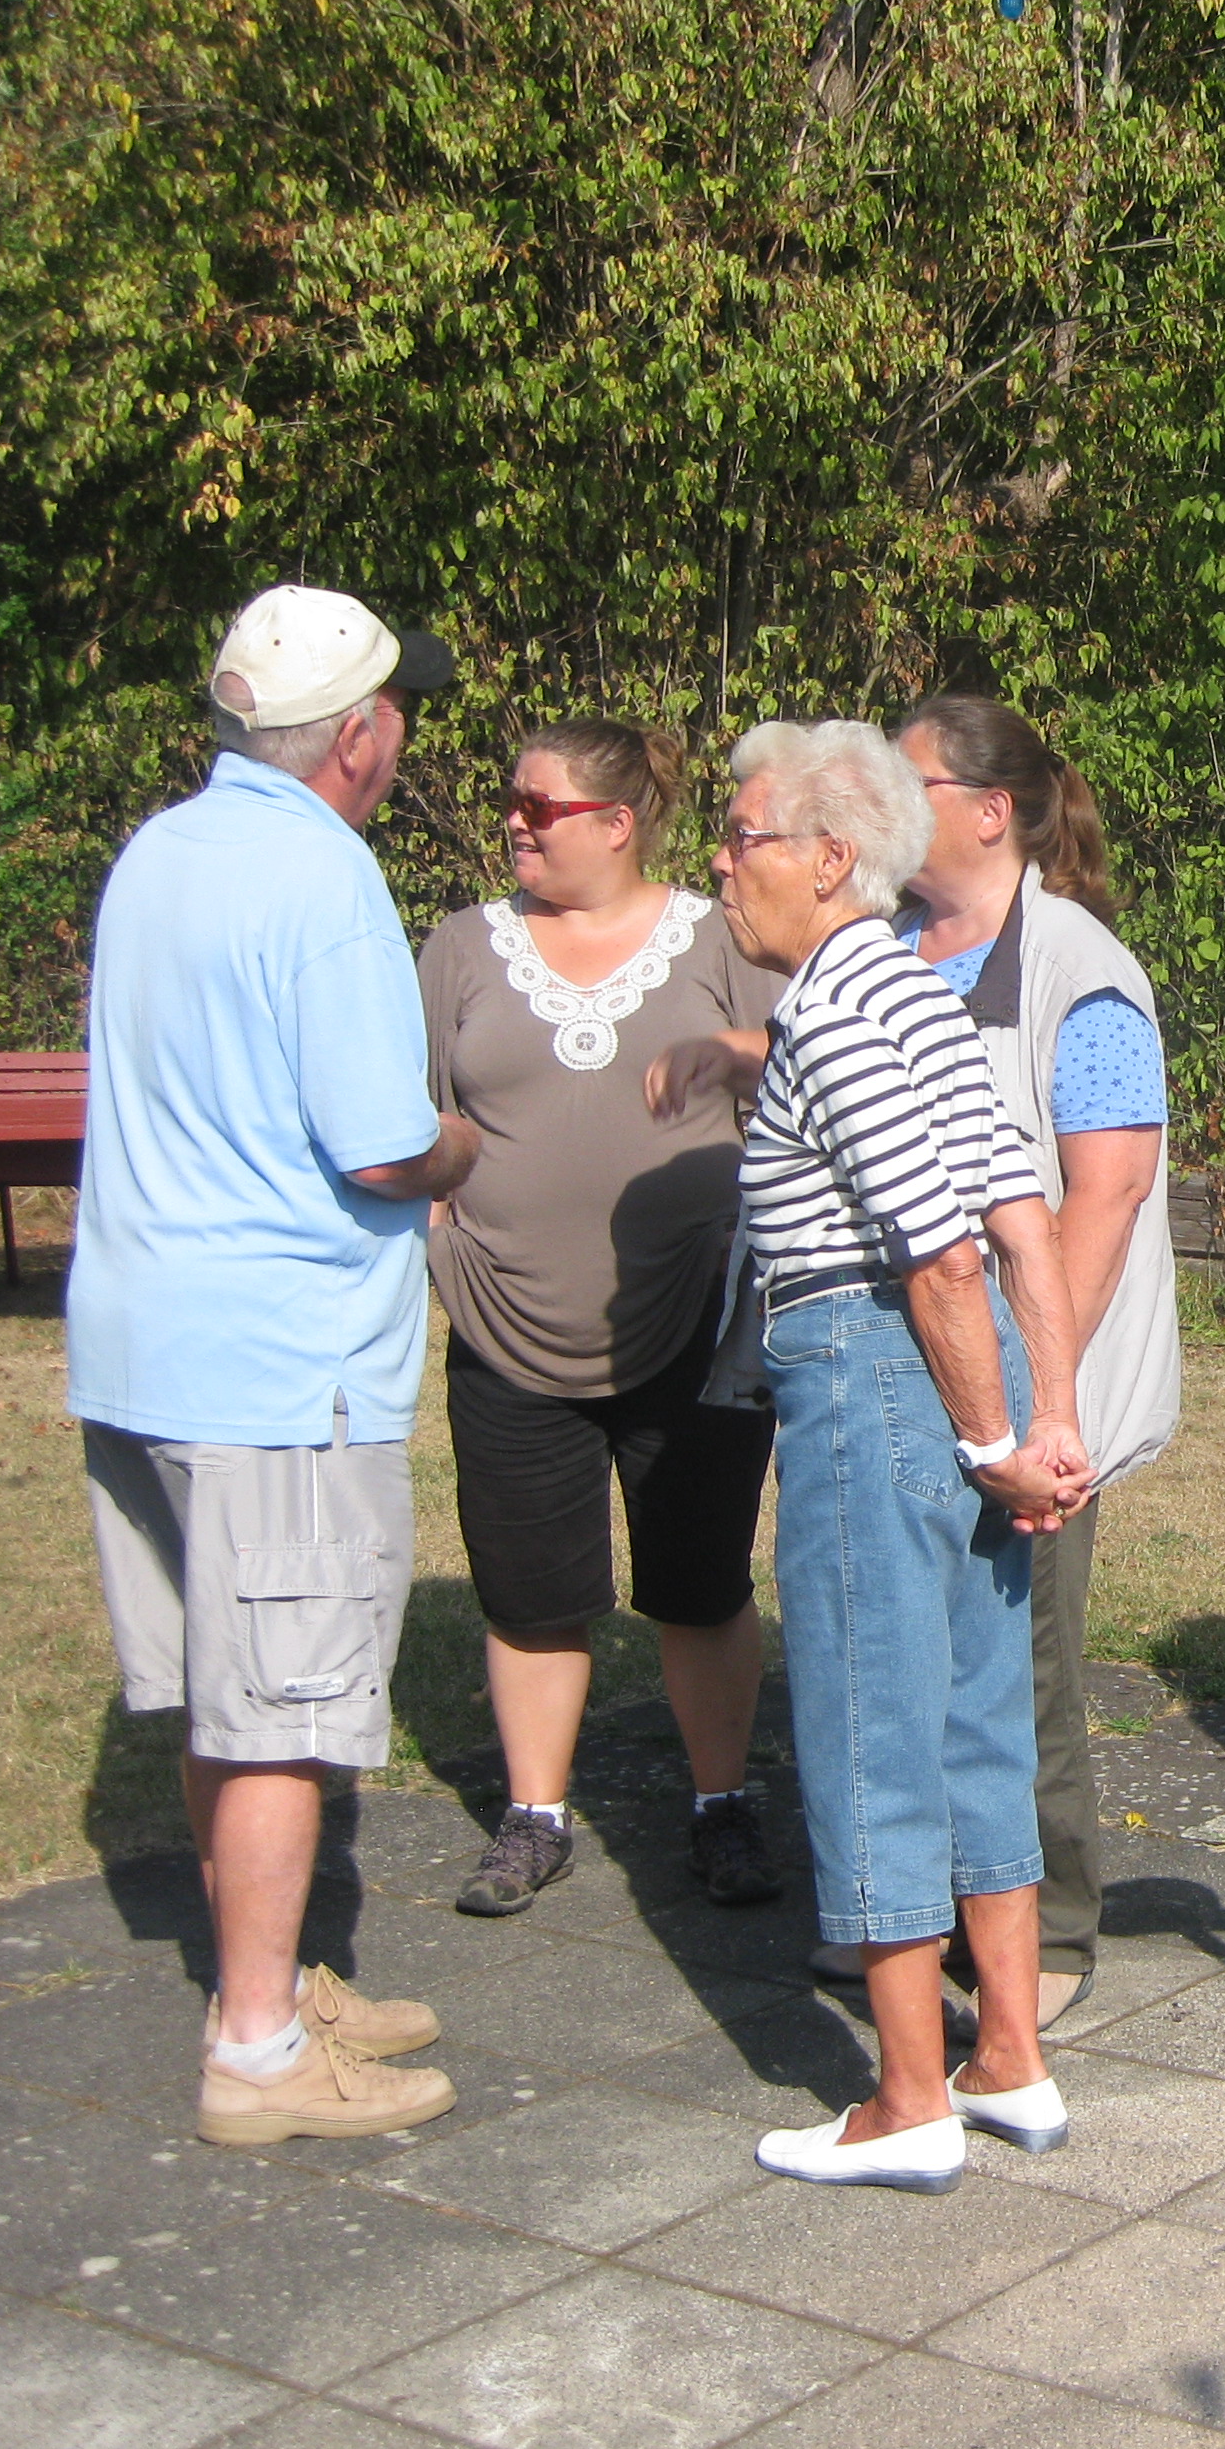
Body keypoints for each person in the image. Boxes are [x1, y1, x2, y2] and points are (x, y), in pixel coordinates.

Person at [70, 585, 476, 2145]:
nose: (404, 739)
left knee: (214, 1694)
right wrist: (459, 1144)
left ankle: (277, 1972)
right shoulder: (325, 878)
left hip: (142, 1342)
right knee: (284, 1713)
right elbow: (379, 1145)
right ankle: (257, 2047)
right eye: (400, 712)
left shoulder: (160, 851)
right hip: (276, 1363)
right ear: (357, 734)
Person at [667, 718, 1091, 2193]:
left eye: (744, 838)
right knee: (979, 1713)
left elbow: (937, 1254)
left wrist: (993, 1442)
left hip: (874, 1372)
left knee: (867, 1717)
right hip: (977, 1373)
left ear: (830, 858)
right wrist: (1051, 1419)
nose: (723, 866)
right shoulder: (921, 991)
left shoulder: (839, 1010)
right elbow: (1020, 1219)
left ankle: (908, 2096)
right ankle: (1010, 2057)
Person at [417, 717, 785, 1919]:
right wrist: (444, 1239)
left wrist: (735, 1056)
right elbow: (419, 1111)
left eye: (540, 808)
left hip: (693, 1320)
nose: (514, 824)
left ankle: (721, 1805)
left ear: (618, 824)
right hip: (505, 1320)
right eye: (512, 802)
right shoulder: (461, 947)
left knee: (701, 1582)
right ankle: (535, 1819)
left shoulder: (719, 934)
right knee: (529, 1593)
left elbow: (809, 1062)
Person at [884, 693, 1180, 2032]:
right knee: (912, 1660)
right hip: (906, 1375)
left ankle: (1049, 1932)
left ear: (990, 812)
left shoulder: (1080, 969)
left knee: (1023, 1669)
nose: (881, 811)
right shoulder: (886, 949)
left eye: (911, 786)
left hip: (1033, 1397)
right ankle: (924, 1915)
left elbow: (1104, 1198)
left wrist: (1032, 1401)